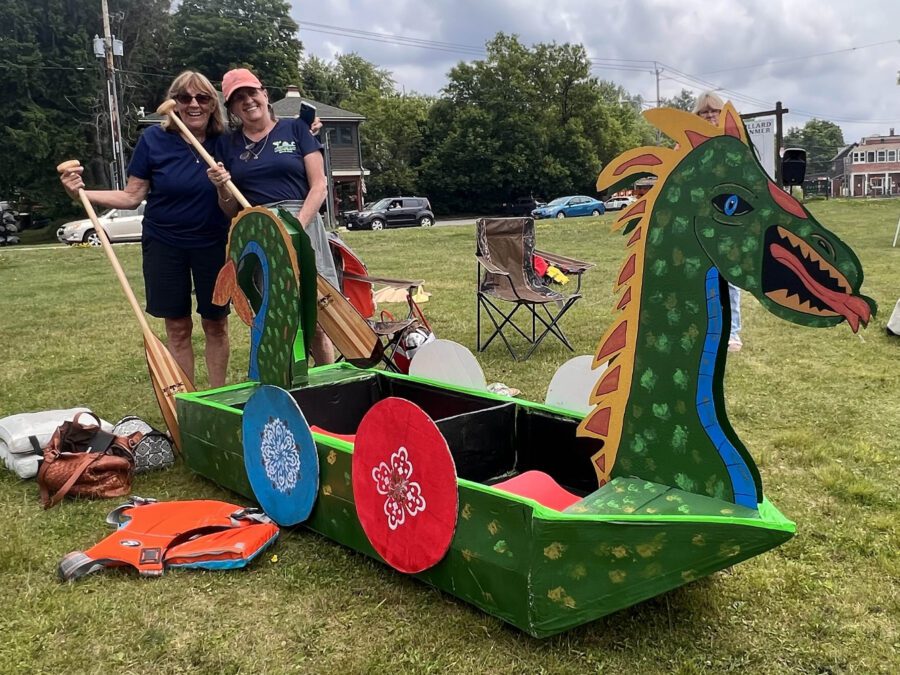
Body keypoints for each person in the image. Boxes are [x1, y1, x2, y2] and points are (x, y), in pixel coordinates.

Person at [60, 71, 231, 386]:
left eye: (202, 97)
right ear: (174, 104)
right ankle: (187, 403)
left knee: (216, 324)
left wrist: (223, 187)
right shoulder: (154, 140)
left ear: (212, 105)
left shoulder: (224, 143)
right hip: (165, 243)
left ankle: (218, 399)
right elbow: (131, 195)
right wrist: (81, 193)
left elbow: (231, 205)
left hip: (213, 243)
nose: (193, 104)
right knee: (177, 327)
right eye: (184, 98)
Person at [208, 68, 338, 365]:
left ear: (265, 94)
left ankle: (328, 383)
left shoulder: (296, 129)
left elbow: (319, 186)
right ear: (231, 108)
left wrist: (293, 230)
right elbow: (230, 209)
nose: (247, 101)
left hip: (302, 224)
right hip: (259, 231)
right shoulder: (228, 145)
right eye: (237, 98)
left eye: (251, 92)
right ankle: (288, 381)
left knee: (317, 313)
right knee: (277, 315)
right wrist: (221, 189)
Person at [693, 90, 743, 353]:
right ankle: (703, 329)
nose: (710, 115)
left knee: (730, 277)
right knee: (701, 277)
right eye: (704, 111)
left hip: (727, 219)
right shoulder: (689, 143)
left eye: (714, 110)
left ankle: (733, 332)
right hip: (700, 220)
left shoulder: (732, 141)